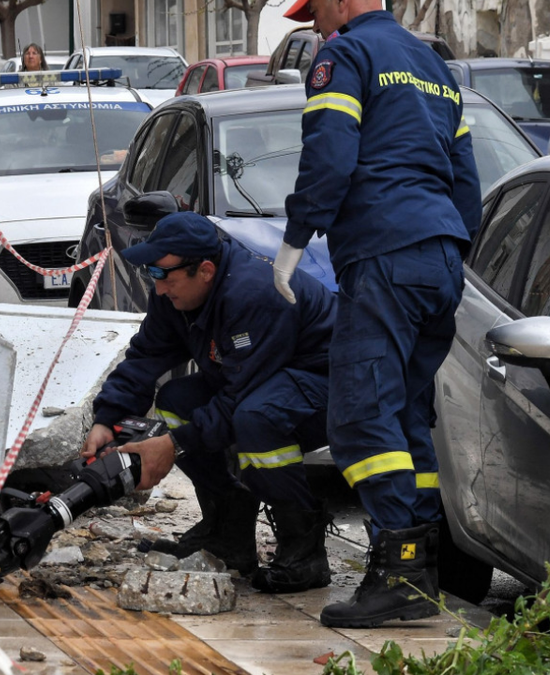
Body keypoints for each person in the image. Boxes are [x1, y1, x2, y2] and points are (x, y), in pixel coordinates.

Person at [273, 0, 481, 628]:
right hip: (439, 260)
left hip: (384, 254)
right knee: (407, 417)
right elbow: (464, 176)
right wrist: (449, 245)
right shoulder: (432, 64)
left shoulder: (345, 55)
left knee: (361, 415)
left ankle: (399, 571)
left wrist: (294, 240)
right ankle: (417, 567)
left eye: (314, 13)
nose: (313, 27)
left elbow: (331, 156)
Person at [83, 212, 337, 593]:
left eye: (164, 275)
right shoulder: (176, 294)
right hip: (262, 383)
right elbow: (145, 357)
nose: (159, 287)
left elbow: (240, 398)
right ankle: (228, 532)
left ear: (204, 270)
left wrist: (171, 445)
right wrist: (107, 419)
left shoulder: (252, 294)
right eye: (151, 274)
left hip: (327, 386)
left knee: (255, 420)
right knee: (176, 400)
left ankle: (304, 551)